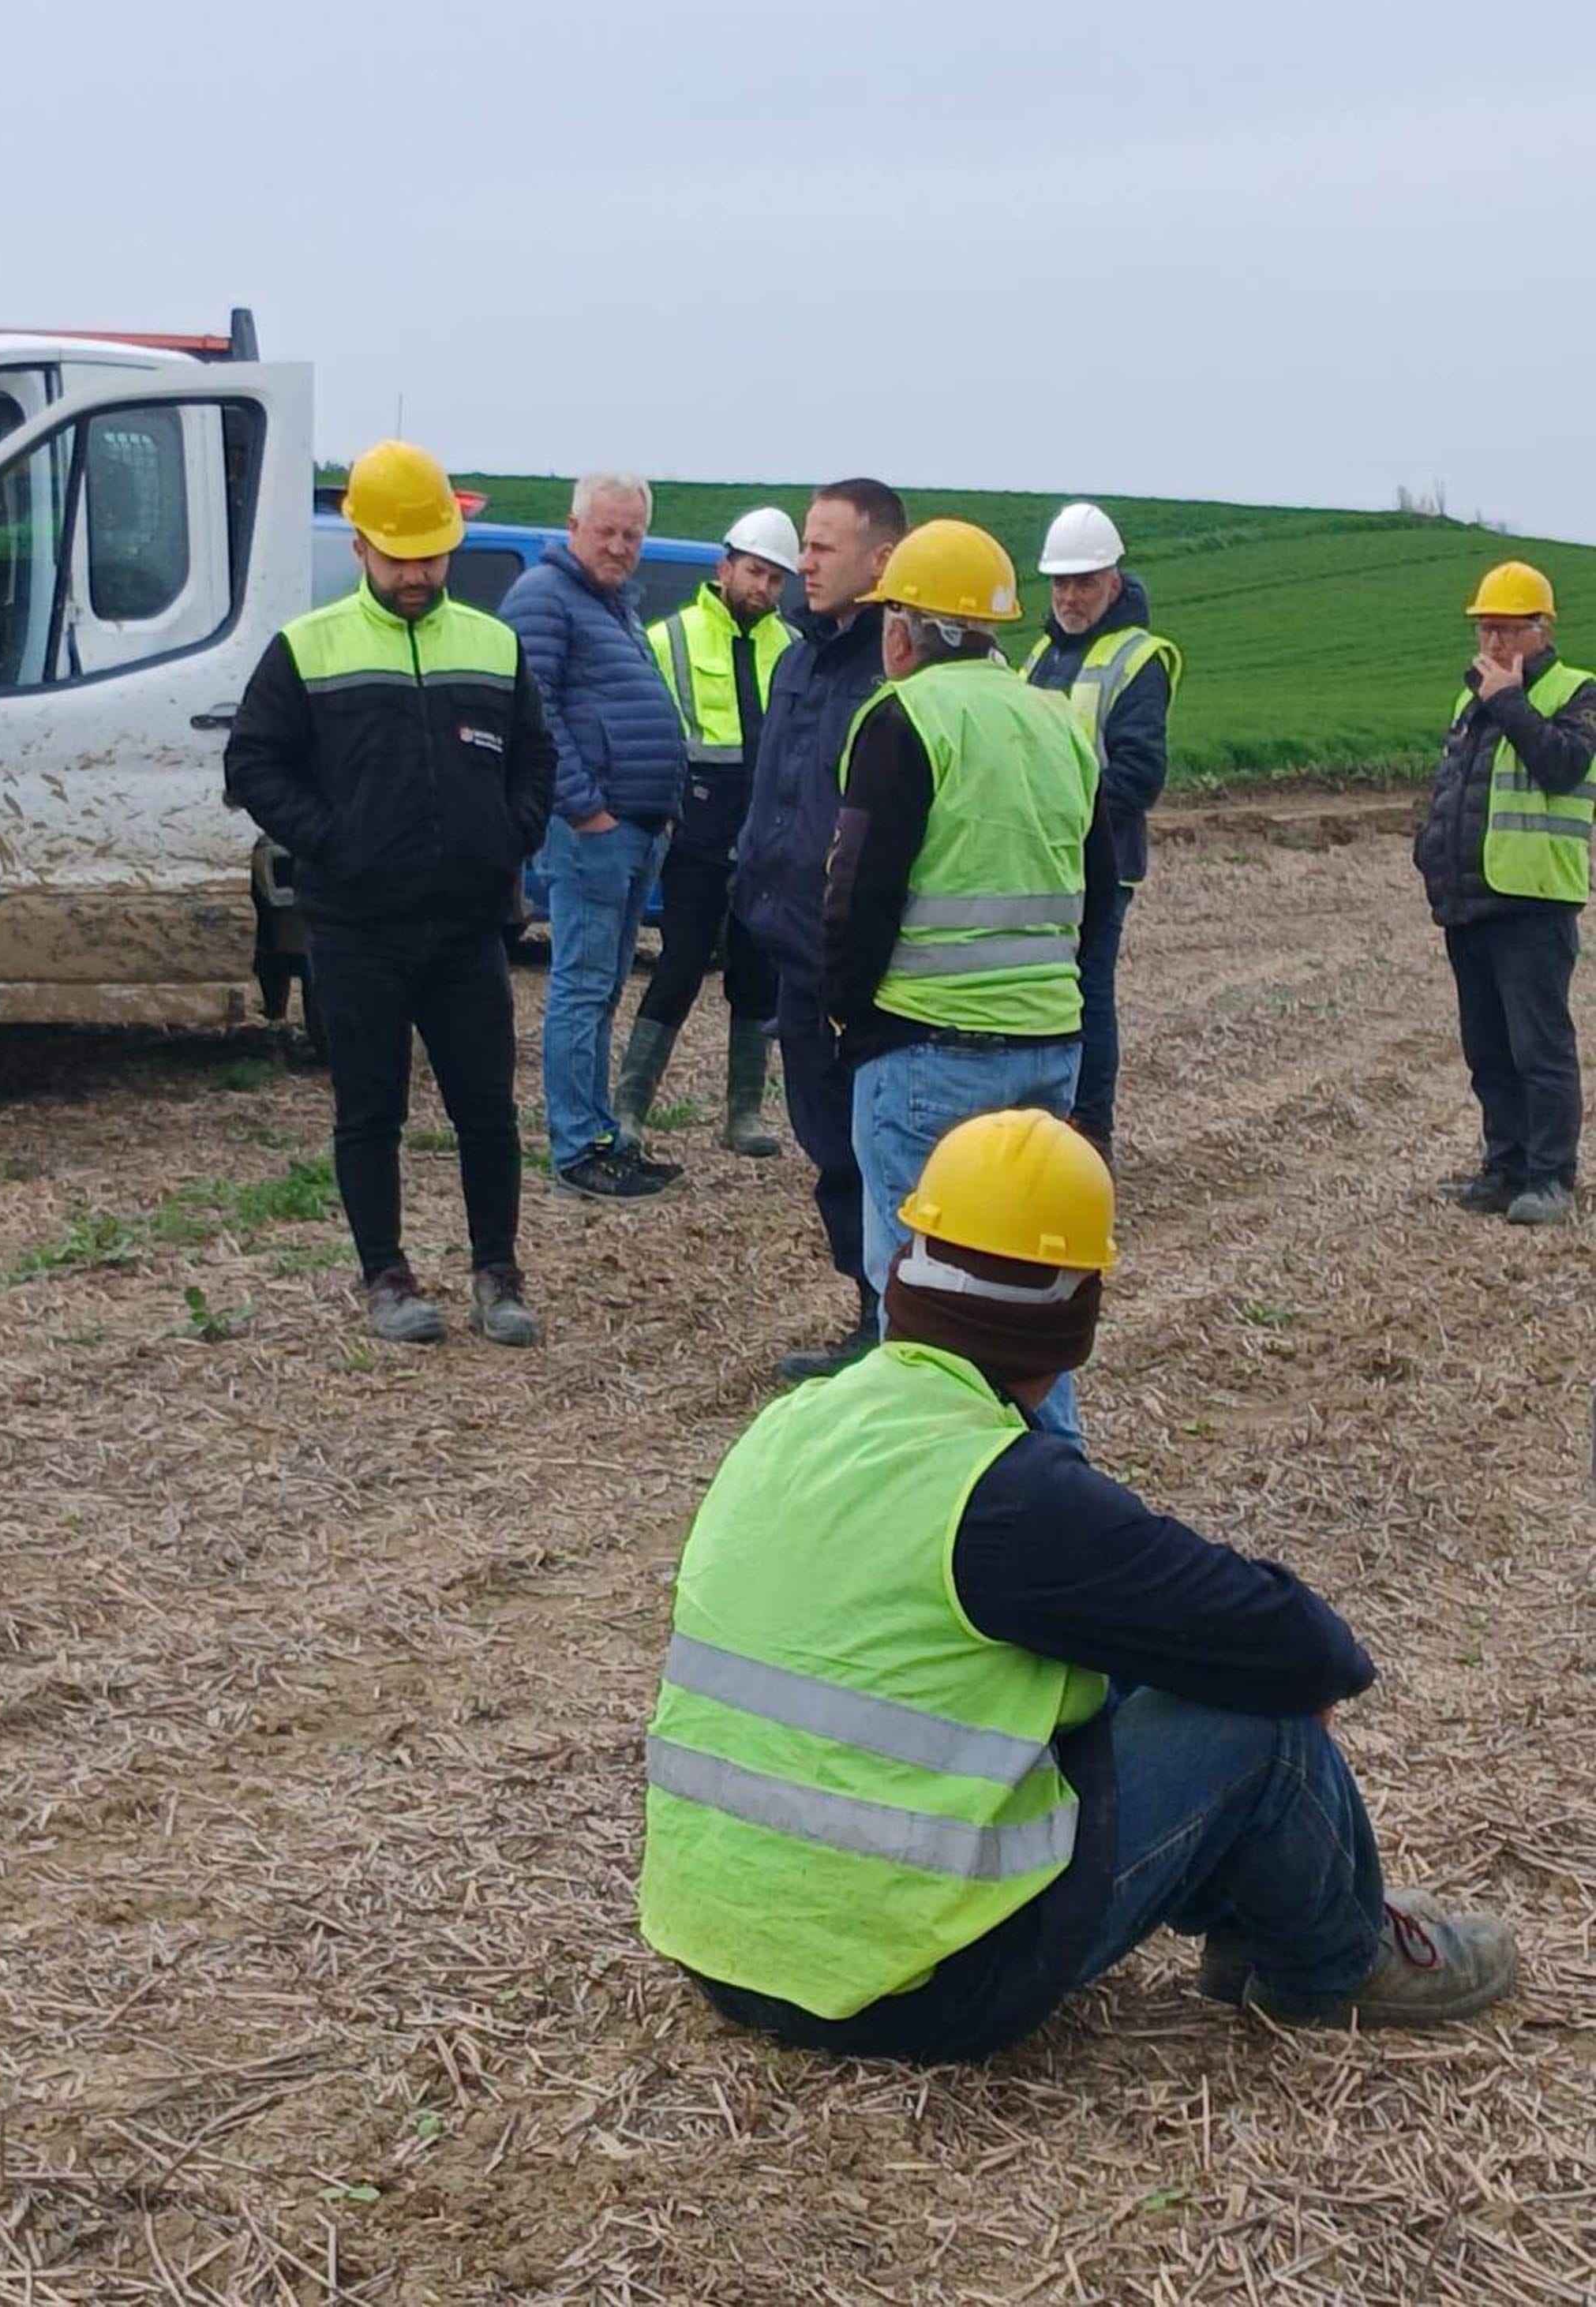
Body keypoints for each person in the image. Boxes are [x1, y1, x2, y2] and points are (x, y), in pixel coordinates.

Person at [637, 1108, 1519, 2061]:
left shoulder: (795, 1422)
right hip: (913, 1989)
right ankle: (1330, 1964)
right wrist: (1288, 1678)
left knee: (1110, 1668)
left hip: (728, 1953)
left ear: (907, 1263)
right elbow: (1290, 1641)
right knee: (1257, 1724)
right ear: (1070, 1323)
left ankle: (1254, 1910)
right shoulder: (1007, 1494)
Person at [225, 440, 556, 1345]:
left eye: (431, 556)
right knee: (369, 1111)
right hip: (356, 927)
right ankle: (386, 1277)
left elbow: (536, 757)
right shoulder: (308, 647)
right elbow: (253, 762)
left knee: (486, 1111)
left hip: (466, 928)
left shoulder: (493, 644)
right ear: (361, 546)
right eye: (399, 556)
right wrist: (334, 841)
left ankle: (497, 1273)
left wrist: (507, 835)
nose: (416, 574)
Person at [822, 519, 1111, 1450]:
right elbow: (1098, 889)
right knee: (1022, 1296)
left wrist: (844, 1013)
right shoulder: (1056, 721)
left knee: (921, 1304)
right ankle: (1056, 1481)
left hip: (923, 1048)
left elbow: (857, 892)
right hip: (1045, 1046)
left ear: (904, 629)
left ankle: (929, 1484)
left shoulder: (902, 717)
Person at [732, 479, 909, 1376]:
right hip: (794, 948)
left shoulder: (899, 667)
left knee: (882, 1150)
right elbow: (775, 793)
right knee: (830, 1147)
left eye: (822, 547)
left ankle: (900, 1326)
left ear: (881, 560)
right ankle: (868, 1313)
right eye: (804, 545)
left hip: (865, 961)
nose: (802, 562)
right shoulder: (796, 661)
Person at [500, 475, 689, 1201]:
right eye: (606, 530)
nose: (619, 545)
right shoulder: (546, 598)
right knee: (582, 988)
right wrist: (585, 808)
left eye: (631, 534)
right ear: (573, 525)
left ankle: (603, 1137)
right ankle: (579, 1148)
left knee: (605, 986)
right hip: (594, 832)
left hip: (635, 828)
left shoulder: (612, 606)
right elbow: (533, 709)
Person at [613, 509, 802, 1159]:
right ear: (725, 569)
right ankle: (630, 1108)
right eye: (754, 572)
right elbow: (645, 732)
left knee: (757, 976)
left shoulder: (793, 648)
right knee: (679, 967)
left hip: (764, 843)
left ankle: (743, 1115)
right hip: (696, 836)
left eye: (775, 578)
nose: (763, 588)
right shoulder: (670, 638)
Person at [1414, 560, 1595, 1226]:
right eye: (1486, 628)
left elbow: (1562, 764)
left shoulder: (1577, 693)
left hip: (1534, 903)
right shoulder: (1471, 703)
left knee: (1538, 1049)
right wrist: (1430, 851)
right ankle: (1505, 1168)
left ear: (1542, 630)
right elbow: (1454, 788)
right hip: (1470, 903)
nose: (1493, 642)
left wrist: (1509, 701)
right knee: (1488, 1050)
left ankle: (1550, 1177)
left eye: (1508, 629)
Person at [1021, 502, 1182, 1161]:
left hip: (1100, 863)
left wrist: (1060, 817)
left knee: (1086, 995)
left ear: (1113, 581)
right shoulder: (1041, 654)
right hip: (1038, 861)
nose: (1069, 596)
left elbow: (1138, 775)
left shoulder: (1138, 658)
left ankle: (1090, 1134)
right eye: (1060, 583)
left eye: (1083, 582)